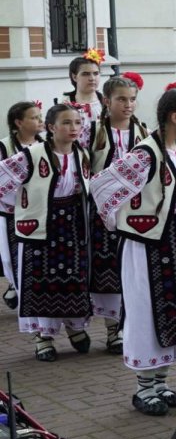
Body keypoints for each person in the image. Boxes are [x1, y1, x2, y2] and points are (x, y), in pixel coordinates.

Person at [92, 86, 176, 415]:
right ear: (175, 117)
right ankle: (144, 387)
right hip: (148, 246)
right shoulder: (146, 154)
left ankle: (161, 382)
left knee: (174, 310)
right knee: (146, 311)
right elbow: (101, 185)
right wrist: (121, 221)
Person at [0, 104, 92, 363]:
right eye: (66, 123)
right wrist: (18, 207)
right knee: (40, 282)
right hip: (41, 228)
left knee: (72, 278)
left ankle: (75, 327)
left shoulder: (81, 154)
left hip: (72, 225)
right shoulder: (31, 155)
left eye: (77, 122)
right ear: (51, 128)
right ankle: (42, 336)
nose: (73, 128)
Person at [88, 75, 149, 354]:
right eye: (121, 99)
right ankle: (113, 329)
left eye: (132, 99)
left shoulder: (143, 132)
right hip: (102, 216)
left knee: (133, 271)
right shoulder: (93, 132)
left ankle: (130, 324)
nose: (128, 105)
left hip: (135, 215)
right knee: (107, 272)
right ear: (106, 101)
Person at [1, 101, 43, 310]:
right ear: (19, 122)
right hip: (12, 213)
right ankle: (16, 286)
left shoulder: (46, 144)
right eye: (34, 117)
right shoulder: (5, 147)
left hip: (42, 212)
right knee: (13, 257)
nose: (40, 121)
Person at [57, 50, 104, 141]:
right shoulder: (64, 103)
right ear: (74, 77)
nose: (92, 78)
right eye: (86, 74)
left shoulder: (106, 102)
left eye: (96, 73)